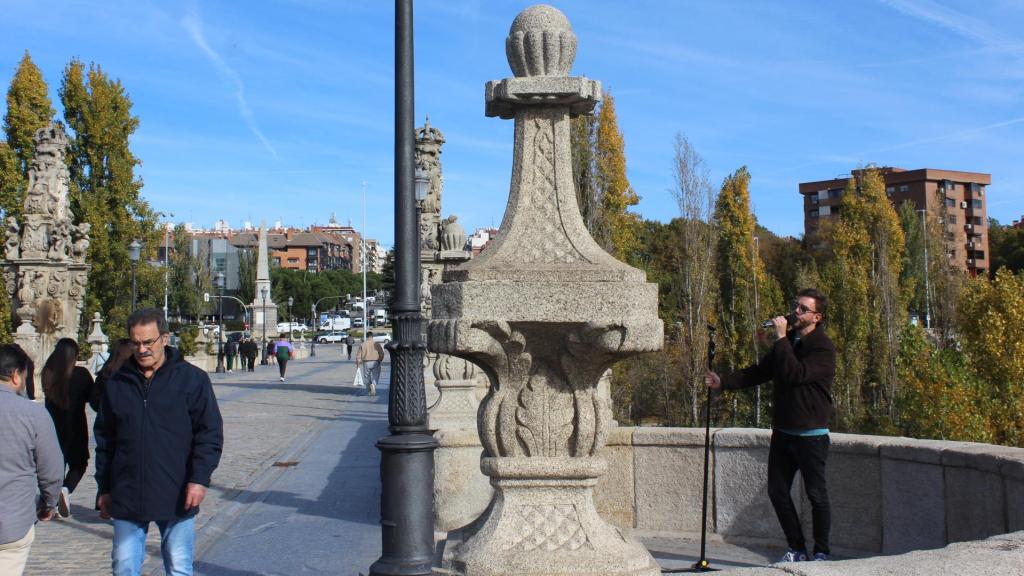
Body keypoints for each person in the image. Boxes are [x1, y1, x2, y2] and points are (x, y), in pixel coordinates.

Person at [705, 288, 836, 563]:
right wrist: (723, 382)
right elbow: (761, 372)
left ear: (817, 317)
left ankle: (821, 552)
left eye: (803, 309)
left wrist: (781, 339)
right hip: (784, 432)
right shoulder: (789, 342)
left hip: (811, 434)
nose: (796, 312)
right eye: (796, 306)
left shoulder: (823, 348)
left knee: (816, 495)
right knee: (777, 492)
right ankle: (797, 548)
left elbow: (795, 374)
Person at [94, 308, 224, 576]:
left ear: (164, 338)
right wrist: (104, 487)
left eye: (147, 342)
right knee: (124, 566)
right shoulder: (117, 383)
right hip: (127, 490)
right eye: (135, 343)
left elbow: (209, 433)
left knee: (178, 566)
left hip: (177, 489)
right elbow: (105, 439)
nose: (142, 350)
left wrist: (199, 479)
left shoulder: (192, 379)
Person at [0, 344, 62, 575]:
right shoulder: (34, 414)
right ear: (16, 375)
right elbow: (51, 470)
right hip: (12, 523)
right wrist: (49, 504)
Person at [41, 337, 97, 519]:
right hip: (75, 424)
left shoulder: (48, 373)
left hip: (51, 424)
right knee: (79, 463)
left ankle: (53, 500)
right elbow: (92, 398)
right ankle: (66, 489)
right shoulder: (81, 374)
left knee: (57, 463)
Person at [355, 332, 385, 396]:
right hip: (375, 361)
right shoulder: (376, 344)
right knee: (376, 375)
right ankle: (373, 384)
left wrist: (358, 365)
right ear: (372, 336)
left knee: (367, 377)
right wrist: (380, 360)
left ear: (367, 336)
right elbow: (381, 353)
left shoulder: (363, 344)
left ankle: (369, 390)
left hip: (366, 362)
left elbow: (358, 356)